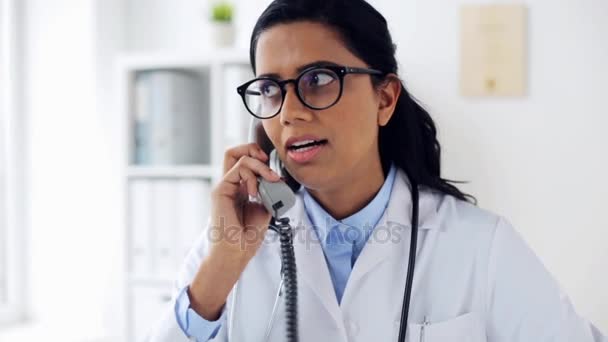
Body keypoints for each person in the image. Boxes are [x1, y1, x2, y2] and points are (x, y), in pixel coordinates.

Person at [149, 0, 607, 341]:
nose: (289, 112)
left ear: (384, 99)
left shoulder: (480, 247)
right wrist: (224, 265)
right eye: (271, 88)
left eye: (319, 79)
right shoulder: (227, 250)